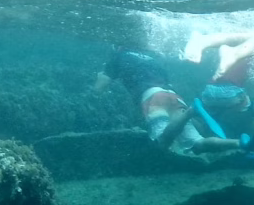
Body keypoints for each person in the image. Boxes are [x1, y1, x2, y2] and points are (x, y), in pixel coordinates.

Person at [94, 47, 245, 155]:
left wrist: (101, 75)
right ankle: (239, 143)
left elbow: (99, 89)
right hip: (173, 96)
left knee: (162, 142)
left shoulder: (118, 57)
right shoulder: (151, 60)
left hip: (152, 98)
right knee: (196, 144)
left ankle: (191, 112)